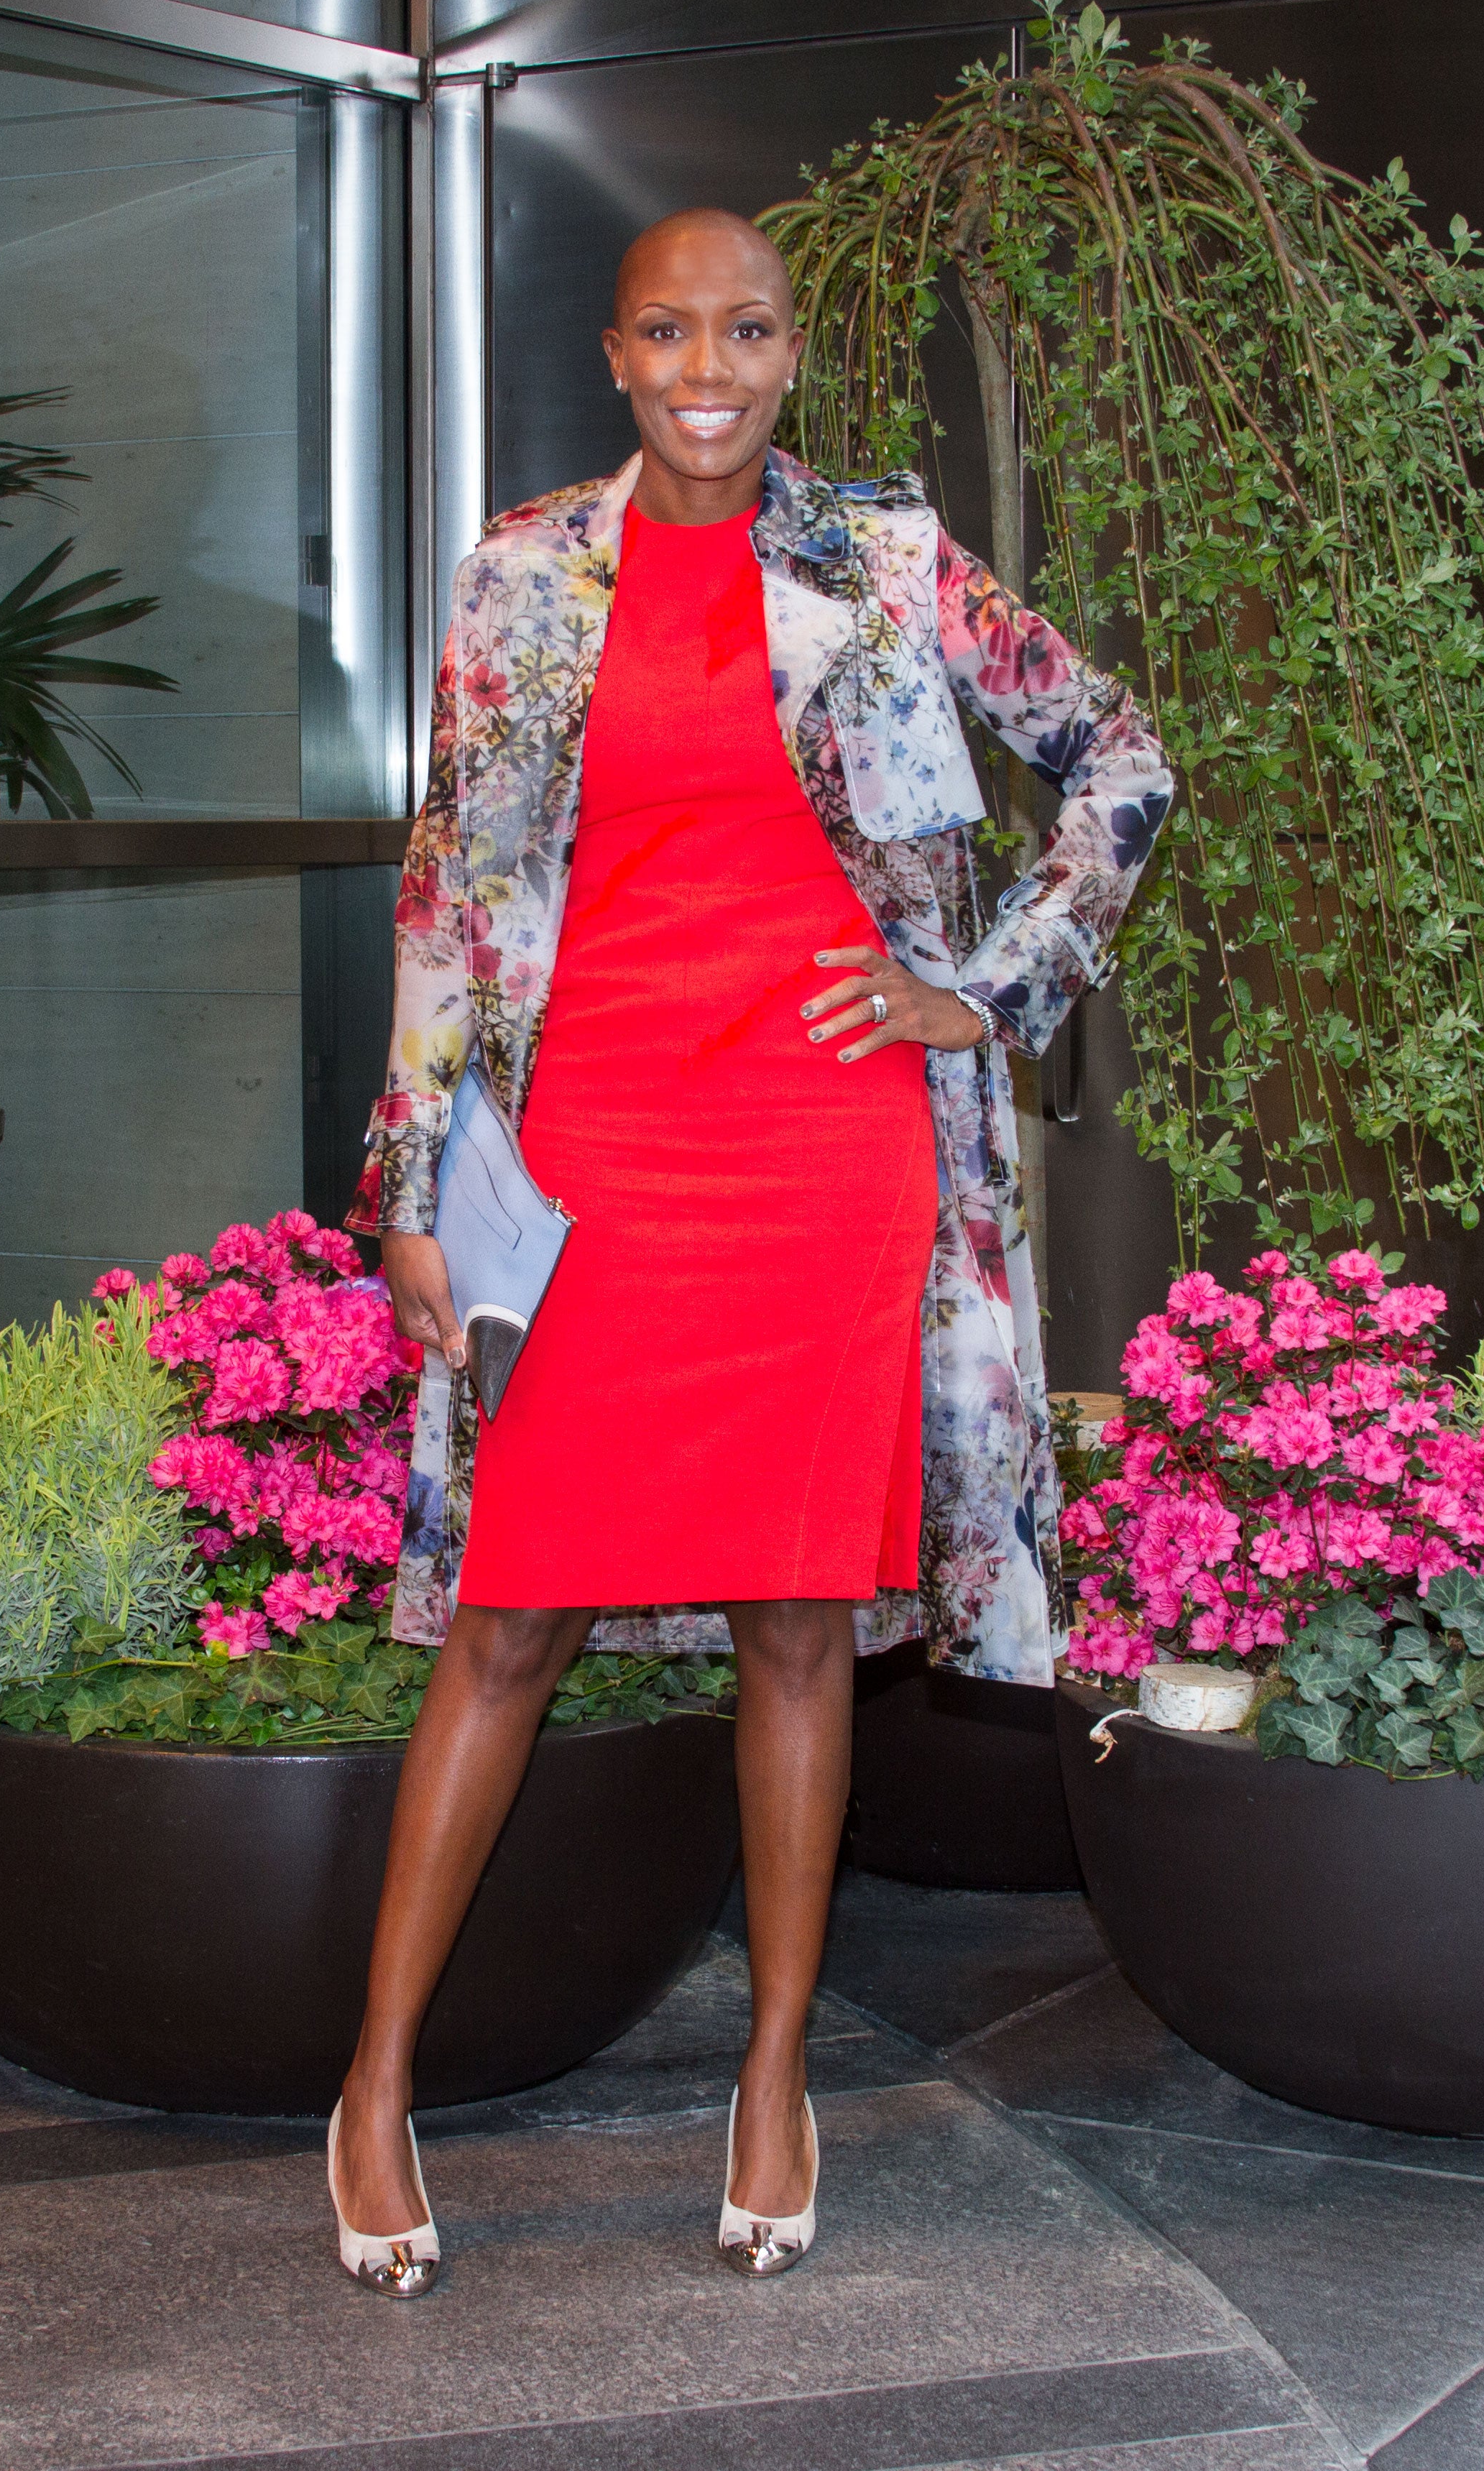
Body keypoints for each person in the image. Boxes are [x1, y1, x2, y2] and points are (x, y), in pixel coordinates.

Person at [326, 206, 1170, 2296]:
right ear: (616, 353)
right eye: (671, 328)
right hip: (592, 1154)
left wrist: (985, 988)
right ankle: (370, 2081)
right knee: (509, 1617)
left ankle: (778, 2068)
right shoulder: (524, 576)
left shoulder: (886, 564)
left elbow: (1122, 760)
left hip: (822, 1147)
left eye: (752, 327)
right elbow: (447, 882)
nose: (712, 361)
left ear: (794, 353)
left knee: (804, 1618)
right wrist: (415, 1179)